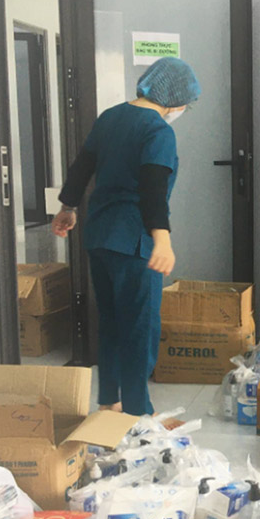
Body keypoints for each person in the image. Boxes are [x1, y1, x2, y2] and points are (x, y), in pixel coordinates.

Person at [51, 57, 201, 417]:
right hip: (135, 241)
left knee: (112, 321)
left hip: (100, 235)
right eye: (186, 103)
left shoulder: (111, 116)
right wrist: (161, 239)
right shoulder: (157, 130)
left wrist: (68, 206)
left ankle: (109, 402)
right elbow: (153, 187)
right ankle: (138, 415)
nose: (183, 109)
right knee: (139, 329)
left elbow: (82, 167)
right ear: (175, 98)